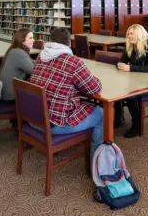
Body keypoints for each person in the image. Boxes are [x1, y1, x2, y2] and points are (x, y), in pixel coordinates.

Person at [30, 27, 104, 157]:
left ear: (50, 41)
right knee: (101, 113)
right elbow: (94, 88)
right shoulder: (73, 62)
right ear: (69, 43)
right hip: (54, 124)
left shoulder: (40, 57)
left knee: (78, 100)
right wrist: (95, 78)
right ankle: (97, 161)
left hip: (34, 118)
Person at [117, 24, 148, 138]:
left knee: (129, 95)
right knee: (118, 90)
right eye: (128, 34)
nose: (129, 36)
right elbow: (122, 60)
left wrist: (130, 68)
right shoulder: (131, 46)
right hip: (136, 81)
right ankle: (118, 119)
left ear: (139, 34)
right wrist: (120, 64)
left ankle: (137, 125)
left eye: (132, 34)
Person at [0, 29, 34, 104]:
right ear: (22, 40)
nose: (34, 40)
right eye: (30, 38)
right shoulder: (19, 53)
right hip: (11, 97)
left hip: (4, 93)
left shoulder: (14, 50)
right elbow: (34, 71)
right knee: (40, 97)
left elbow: (31, 61)